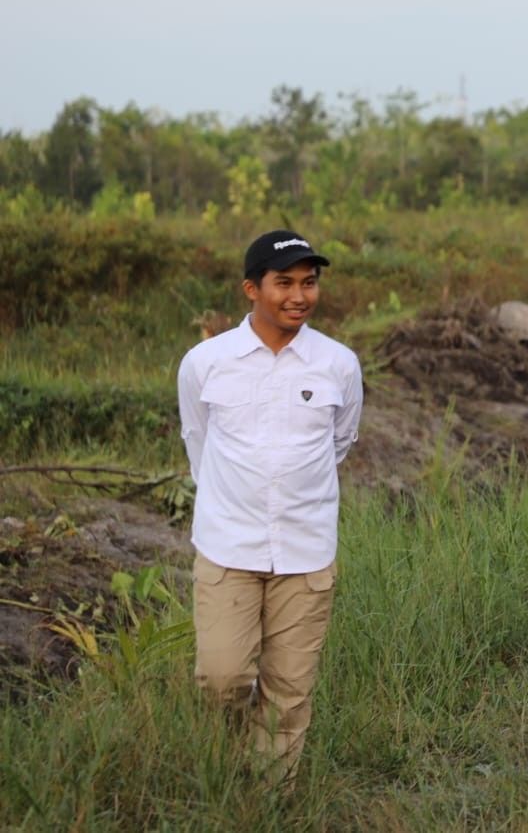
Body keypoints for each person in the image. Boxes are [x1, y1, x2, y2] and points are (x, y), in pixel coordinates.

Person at [177, 229, 363, 783]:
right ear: (251, 289)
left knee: (289, 692)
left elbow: (340, 443)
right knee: (222, 679)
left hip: (306, 553)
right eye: (284, 283)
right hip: (228, 545)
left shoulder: (338, 364)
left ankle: (267, 799)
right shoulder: (206, 362)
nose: (299, 296)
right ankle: (222, 770)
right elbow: (198, 442)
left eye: (309, 283)